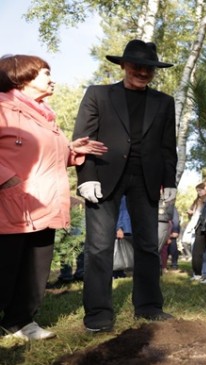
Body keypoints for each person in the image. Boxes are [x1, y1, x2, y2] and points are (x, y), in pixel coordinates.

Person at [72, 40, 177, 332]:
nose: (143, 72)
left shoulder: (164, 102)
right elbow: (84, 138)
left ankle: (148, 306)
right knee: (99, 245)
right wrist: (86, 176)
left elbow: (169, 147)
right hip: (104, 177)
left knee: (147, 245)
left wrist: (170, 181)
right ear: (123, 65)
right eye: (137, 66)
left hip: (147, 180)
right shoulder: (98, 95)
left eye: (149, 68)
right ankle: (98, 312)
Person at [0, 54, 107, 340]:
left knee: (36, 271)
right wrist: (6, 180)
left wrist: (72, 150)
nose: (52, 79)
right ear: (21, 77)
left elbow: (49, 158)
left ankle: (20, 322)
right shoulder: (3, 108)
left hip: (46, 204)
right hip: (11, 205)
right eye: (45, 73)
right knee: (6, 267)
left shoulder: (46, 116)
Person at [113, 196, 132, 279]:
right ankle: (115, 271)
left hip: (127, 226)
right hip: (123, 226)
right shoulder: (122, 196)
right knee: (117, 249)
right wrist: (119, 227)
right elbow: (120, 211)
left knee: (123, 250)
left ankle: (120, 271)